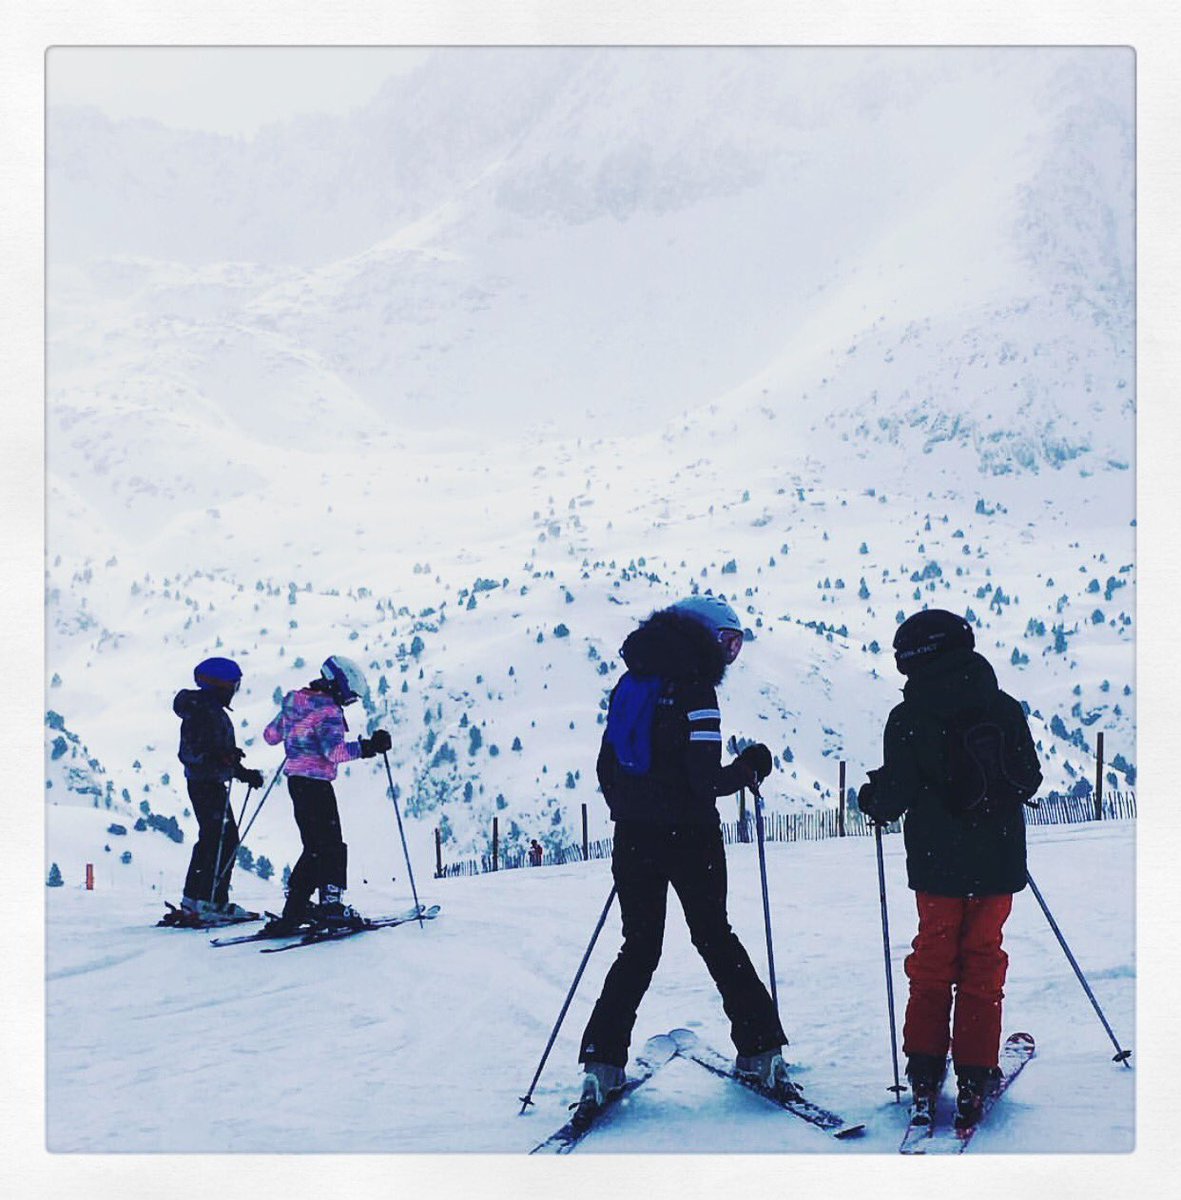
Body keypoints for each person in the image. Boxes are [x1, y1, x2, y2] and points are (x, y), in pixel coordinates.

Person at [578, 596, 784, 1112]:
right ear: (703, 638)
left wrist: (635, 814)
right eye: (727, 644)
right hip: (691, 837)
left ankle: (602, 1064)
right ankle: (760, 1050)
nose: (730, 656)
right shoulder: (696, 691)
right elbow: (705, 780)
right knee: (715, 936)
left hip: (634, 837)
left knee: (639, 946)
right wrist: (752, 765)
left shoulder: (633, 683)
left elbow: (608, 768)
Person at [857, 609, 1042, 1127]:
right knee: (983, 959)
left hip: (938, 865)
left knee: (933, 959)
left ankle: (924, 1067)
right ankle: (975, 1070)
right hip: (999, 859)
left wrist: (870, 797)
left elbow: (894, 795)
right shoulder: (1001, 706)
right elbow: (1030, 780)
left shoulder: (910, 715)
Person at [262, 655, 391, 932]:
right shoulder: (329, 710)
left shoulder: (294, 700)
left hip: (296, 783)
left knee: (313, 847)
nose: (349, 701)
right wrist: (369, 747)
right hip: (317, 785)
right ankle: (331, 906)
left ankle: (295, 907)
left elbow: (270, 736)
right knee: (331, 845)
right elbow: (334, 752)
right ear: (339, 684)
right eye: (350, 696)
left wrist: (295, 733)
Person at [171, 657, 266, 924]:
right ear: (219, 685)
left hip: (204, 782)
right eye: (233, 685)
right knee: (223, 840)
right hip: (206, 783)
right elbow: (192, 753)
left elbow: (207, 752)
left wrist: (237, 767)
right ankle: (212, 902)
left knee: (212, 839)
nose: (234, 691)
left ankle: (194, 899)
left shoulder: (203, 708)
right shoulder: (204, 712)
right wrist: (224, 759)